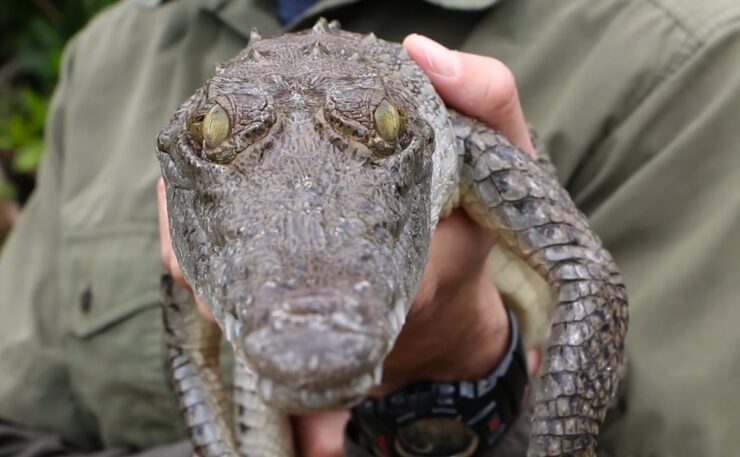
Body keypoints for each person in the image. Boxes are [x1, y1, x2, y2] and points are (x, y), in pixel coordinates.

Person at [1, 0, 739, 456]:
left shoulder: (687, 55)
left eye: (379, 131)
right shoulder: (108, 56)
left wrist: (474, 371)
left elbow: (588, 278)